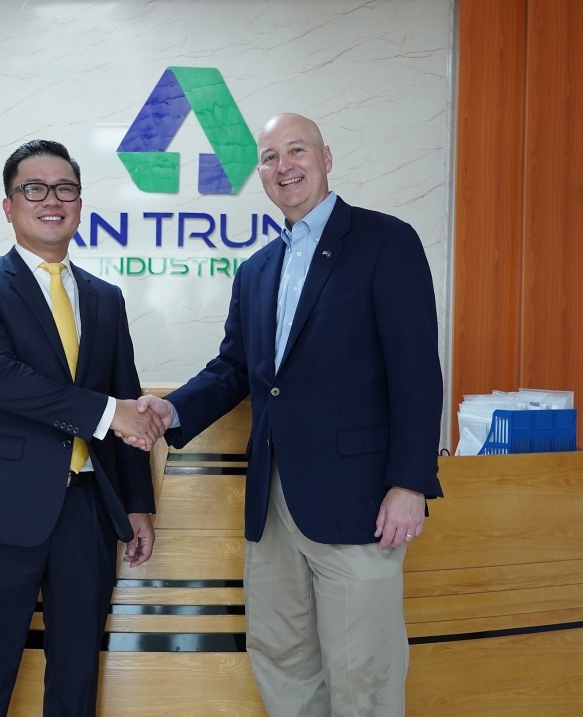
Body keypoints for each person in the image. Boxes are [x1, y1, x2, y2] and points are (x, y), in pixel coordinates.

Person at [131, 114, 443, 716]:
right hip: (271, 503)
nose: (284, 166)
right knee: (281, 659)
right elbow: (234, 368)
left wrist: (410, 483)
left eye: (296, 150)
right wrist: (171, 409)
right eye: (270, 157)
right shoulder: (256, 269)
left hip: (358, 501)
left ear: (326, 157)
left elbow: (416, 371)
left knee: (364, 671)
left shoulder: (385, 241)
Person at [0, 139, 163, 717]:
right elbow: (1, 380)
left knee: (76, 674)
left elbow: (124, 391)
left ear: (80, 204)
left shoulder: (105, 298)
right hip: (2, 508)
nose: (51, 200)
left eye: (65, 189)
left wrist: (138, 504)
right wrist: (109, 412)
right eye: (34, 189)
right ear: (9, 205)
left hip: (87, 510)